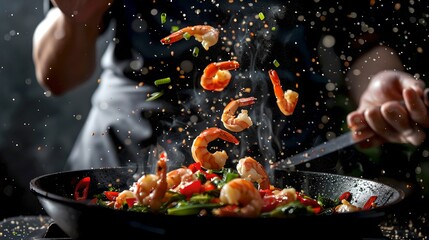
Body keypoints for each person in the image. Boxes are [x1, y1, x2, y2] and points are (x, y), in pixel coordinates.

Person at [32, 0, 428, 179]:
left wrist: (380, 86)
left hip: (293, 170)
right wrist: (74, 18)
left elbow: (363, 44)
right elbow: (56, 78)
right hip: (124, 164)